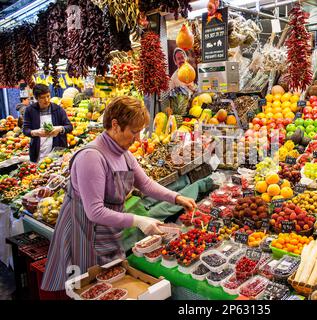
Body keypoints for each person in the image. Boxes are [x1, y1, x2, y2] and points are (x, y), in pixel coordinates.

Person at [40, 96, 197, 298]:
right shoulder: (92, 157)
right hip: (83, 235)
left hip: (106, 233)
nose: (138, 138)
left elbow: (145, 184)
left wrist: (176, 198)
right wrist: (139, 220)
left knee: (111, 287)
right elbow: (95, 211)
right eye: (134, 131)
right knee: (88, 289)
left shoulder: (123, 153)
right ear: (115, 125)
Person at [22, 84, 73, 163]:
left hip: (57, 151)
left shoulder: (58, 109)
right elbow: (25, 130)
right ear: (36, 98)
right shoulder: (30, 110)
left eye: (48, 96)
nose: (46, 100)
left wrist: (60, 129)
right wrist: (36, 132)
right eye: (42, 97)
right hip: (38, 150)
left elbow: (69, 126)